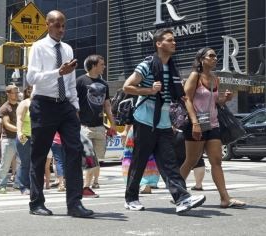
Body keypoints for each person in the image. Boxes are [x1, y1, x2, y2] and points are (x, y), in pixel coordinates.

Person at [122, 28, 206, 213]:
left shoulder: (172, 67)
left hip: (164, 122)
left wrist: (193, 120)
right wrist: (149, 90)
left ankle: (182, 198)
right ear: (159, 44)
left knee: (168, 162)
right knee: (139, 160)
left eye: (174, 40)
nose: (174, 43)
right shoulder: (147, 65)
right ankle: (131, 198)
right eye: (169, 40)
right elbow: (127, 86)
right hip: (145, 120)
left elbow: (181, 97)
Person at [26, 10, 93, 217]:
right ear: (47, 24)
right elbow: (31, 78)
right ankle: (36, 202)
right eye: (56, 25)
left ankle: (75, 204)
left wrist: (75, 106)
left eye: (63, 25)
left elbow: (71, 81)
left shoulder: (67, 49)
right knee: (39, 155)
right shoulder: (38, 47)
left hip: (65, 106)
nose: (61, 29)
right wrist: (58, 72)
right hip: (43, 105)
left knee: (74, 151)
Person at [181, 47, 246, 208]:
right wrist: (195, 123)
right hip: (196, 124)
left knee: (216, 161)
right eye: (211, 56)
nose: (215, 58)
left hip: (213, 124)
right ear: (201, 59)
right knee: (191, 160)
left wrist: (225, 99)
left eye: (215, 56)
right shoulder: (195, 76)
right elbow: (186, 99)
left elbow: (214, 103)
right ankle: (177, 191)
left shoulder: (215, 79)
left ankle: (225, 198)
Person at [76, 54, 117, 197]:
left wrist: (112, 124)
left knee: (97, 159)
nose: (104, 66)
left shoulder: (104, 84)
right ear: (93, 66)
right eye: (102, 64)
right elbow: (74, 104)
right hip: (84, 127)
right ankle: (84, 187)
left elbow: (107, 105)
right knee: (90, 158)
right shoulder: (80, 81)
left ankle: (85, 185)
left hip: (99, 127)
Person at [0, 84, 19, 194]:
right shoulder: (4, 108)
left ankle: (19, 183)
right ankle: (2, 185)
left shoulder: (20, 105)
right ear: (8, 94)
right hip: (8, 138)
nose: (17, 94)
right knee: (5, 163)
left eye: (17, 92)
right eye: (14, 92)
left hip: (21, 138)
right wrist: (20, 129)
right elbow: (6, 124)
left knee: (22, 162)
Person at [16, 86, 33, 195]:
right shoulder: (25, 103)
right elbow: (19, 119)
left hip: (36, 137)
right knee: (25, 162)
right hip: (24, 136)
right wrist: (20, 133)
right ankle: (23, 186)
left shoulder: (39, 103)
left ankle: (33, 186)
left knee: (35, 163)